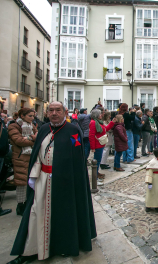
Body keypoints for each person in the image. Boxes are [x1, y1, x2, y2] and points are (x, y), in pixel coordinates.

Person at [9, 101, 96, 263]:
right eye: (51, 110)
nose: (54, 113)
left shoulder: (73, 131)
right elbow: (36, 156)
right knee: (36, 212)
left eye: (58, 110)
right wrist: (33, 177)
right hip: (42, 180)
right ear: (47, 113)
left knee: (64, 214)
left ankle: (63, 246)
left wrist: (72, 179)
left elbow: (77, 157)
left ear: (65, 112)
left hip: (65, 182)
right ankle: (31, 249)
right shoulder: (42, 130)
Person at [8, 108, 38, 215]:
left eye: (33, 116)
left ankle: (29, 203)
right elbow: (19, 140)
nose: (32, 118)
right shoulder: (14, 126)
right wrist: (32, 139)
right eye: (30, 116)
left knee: (31, 180)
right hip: (20, 157)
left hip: (32, 156)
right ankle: (20, 206)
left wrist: (30, 139)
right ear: (22, 116)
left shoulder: (32, 126)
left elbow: (38, 137)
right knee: (22, 182)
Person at [89, 109, 115, 179]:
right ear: (96, 115)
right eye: (100, 114)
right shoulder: (93, 123)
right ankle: (95, 177)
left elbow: (106, 128)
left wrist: (112, 122)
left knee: (98, 160)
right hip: (97, 145)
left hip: (101, 144)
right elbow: (91, 135)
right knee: (96, 161)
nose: (101, 115)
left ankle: (97, 173)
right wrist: (93, 147)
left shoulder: (99, 122)